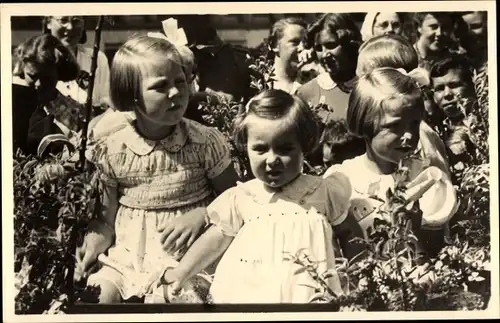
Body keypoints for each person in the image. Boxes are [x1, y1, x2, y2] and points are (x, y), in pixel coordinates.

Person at [149, 90, 363, 303]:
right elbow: (215, 240)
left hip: (305, 294)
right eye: (260, 149)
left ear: (304, 147)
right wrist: (182, 271)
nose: (272, 159)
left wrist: (363, 275)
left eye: (285, 149)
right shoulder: (244, 196)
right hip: (251, 294)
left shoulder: (324, 191)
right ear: (246, 148)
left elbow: (350, 235)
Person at [74, 35, 239, 303]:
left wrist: (203, 214)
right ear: (131, 95)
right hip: (128, 256)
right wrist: (91, 245)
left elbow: (236, 199)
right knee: (99, 297)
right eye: (160, 86)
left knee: (169, 300)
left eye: (180, 81)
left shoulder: (204, 141)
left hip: (187, 257)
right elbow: (105, 220)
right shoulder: (113, 149)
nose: (175, 92)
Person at [324, 68, 458, 258]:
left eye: (414, 124)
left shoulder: (426, 178)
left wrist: (413, 227)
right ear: (364, 125)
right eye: (394, 126)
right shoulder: (342, 181)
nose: (409, 135)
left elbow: (433, 252)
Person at [296, 13, 364, 166]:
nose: (325, 54)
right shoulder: (307, 92)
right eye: (319, 48)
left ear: (350, 43)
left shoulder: (369, 87)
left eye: (331, 45)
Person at [11, 33, 80, 157]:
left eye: (46, 78)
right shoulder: (11, 102)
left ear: (59, 74)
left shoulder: (75, 113)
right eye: (32, 76)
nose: (38, 84)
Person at [42, 16, 111, 130]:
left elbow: (105, 104)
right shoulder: (38, 61)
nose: (70, 27)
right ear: (48, 22)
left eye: (76, 21)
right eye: (63, 20)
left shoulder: (97, 59)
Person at [268, 17, 309, 94]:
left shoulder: (313, 83)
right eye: (295, 42)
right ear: (274, 45)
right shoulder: (259, 84)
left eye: (305, 43)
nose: (302, 48)